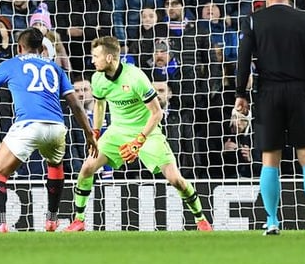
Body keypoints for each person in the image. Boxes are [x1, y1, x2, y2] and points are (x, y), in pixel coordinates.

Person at [65, 35, 213, 232]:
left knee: (175, 179)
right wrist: (97, 132)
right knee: (86, 169)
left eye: (96, 56)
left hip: (147, 133)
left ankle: (201, 219)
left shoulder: (135, 77)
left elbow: (157, 113)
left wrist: (139, 140)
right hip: (117, 132)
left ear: (110, 58)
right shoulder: (97, 78)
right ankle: (79, 220)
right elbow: (99, 104)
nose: (92, 61)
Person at [0, 27, 97, 232]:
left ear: (19, 47)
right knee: (55, 165)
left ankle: (0, 223)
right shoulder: (55, 68)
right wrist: (89, 134)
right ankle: (52, 220)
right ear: (41, 47)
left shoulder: (10, 64)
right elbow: (76, 105)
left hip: (27, 125)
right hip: (56, 126)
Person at [234, 0, 305, 236]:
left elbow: (243, 61)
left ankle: (271, 222)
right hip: (300, 92)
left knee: (270, 160)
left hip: (268, 93)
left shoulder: (254, 21)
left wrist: (240, 95)